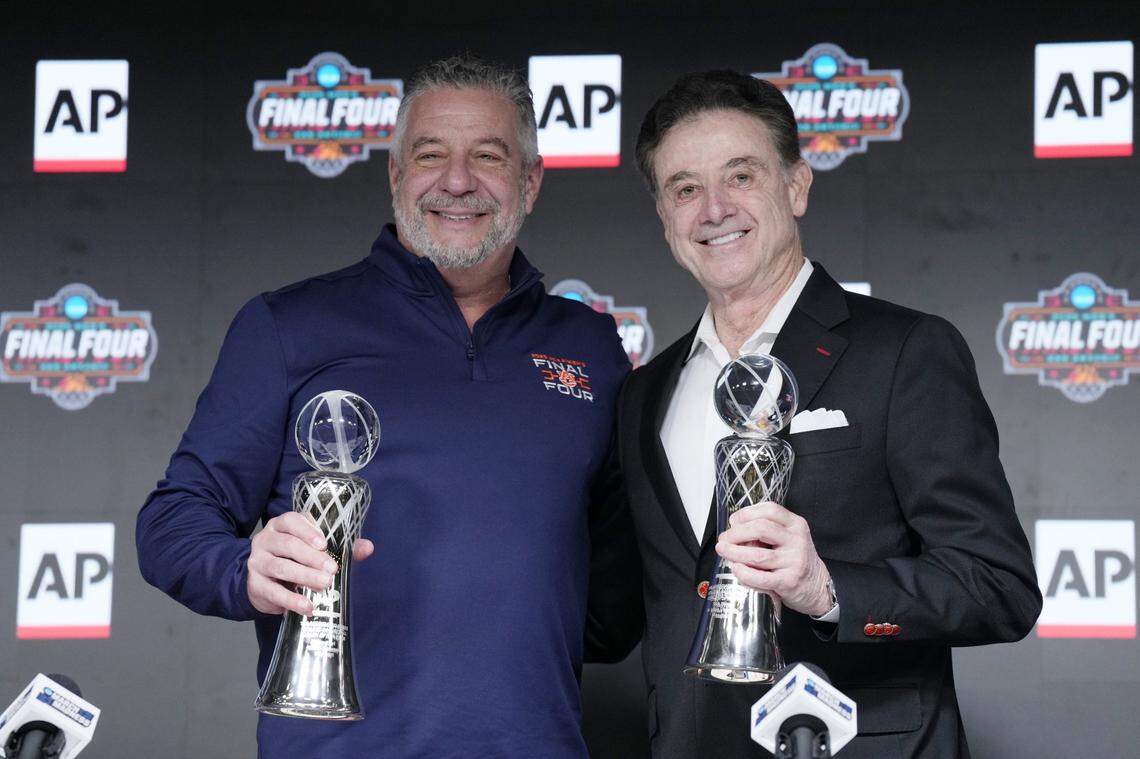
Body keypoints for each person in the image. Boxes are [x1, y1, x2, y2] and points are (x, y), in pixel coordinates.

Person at [136, 54, 640, 758]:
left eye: (488, 157)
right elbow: (171, 522)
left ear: (530, 182)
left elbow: (613, 602)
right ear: (396, 174)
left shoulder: (589, 345)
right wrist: (243, 566)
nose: (458, 181)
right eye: (431, 155)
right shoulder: (290, 325)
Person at [615, 70, 1042, 758]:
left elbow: (999, 587)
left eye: (741, 176)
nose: (714, 208)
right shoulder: (644, 394)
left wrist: (828, 588)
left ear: (797, 185)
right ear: (664, 216)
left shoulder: (903, 350)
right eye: (685, 188)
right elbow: (624, 605)